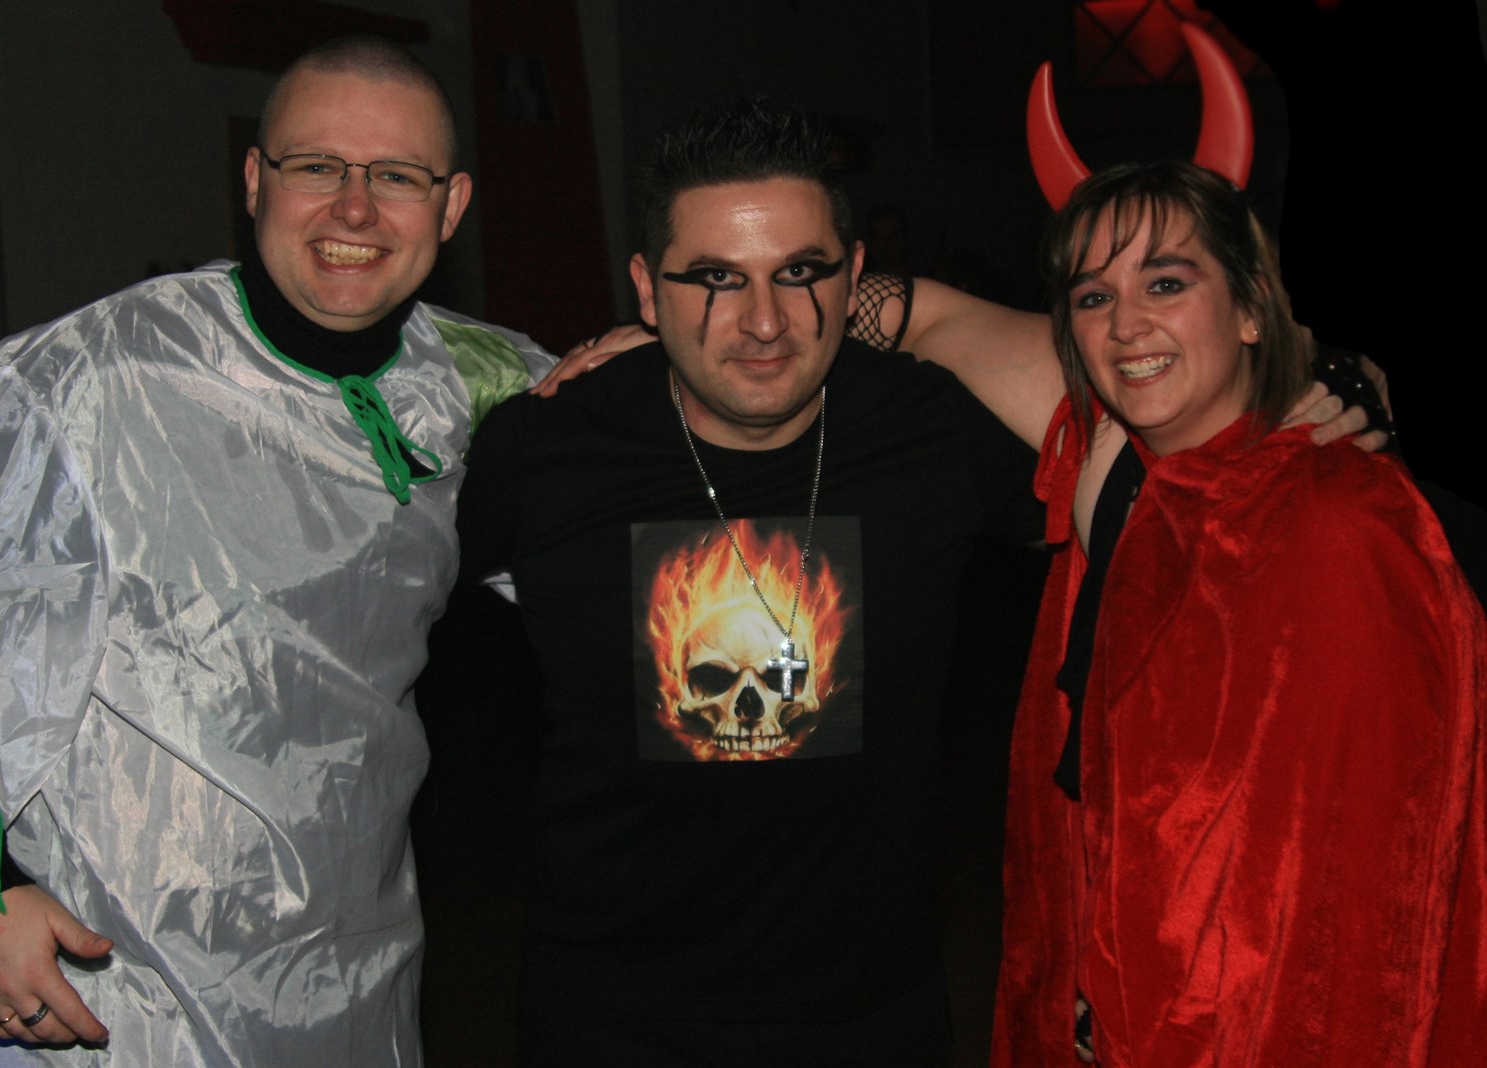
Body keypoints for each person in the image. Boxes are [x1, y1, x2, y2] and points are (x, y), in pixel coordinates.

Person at [0, 35, 551, 1066]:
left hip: (356, 980)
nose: (354, 209)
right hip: (110, 992)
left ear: (451, 205)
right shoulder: (92, 377)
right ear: (253, 179)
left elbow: (678, 445)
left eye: (396, 176)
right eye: (316, 166)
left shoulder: (477, 386)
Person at [455, 99, 1045, 1063]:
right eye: (715, 279)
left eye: (800, 272)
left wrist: (1316, 389)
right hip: (610, 1022)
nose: (764, 321)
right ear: (646, 291)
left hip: (872, 1020)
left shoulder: (933, 429)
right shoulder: (545, 448)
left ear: (855, 278)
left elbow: (1178, 443)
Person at [989, 160, 1486, 1065]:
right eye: (1093, 297)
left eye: (1166, 283)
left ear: (1254, 308)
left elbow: (1362, 896)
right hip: (1129, 1006)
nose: (1126, 323)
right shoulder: (1127, 488)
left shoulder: (1337, 522)